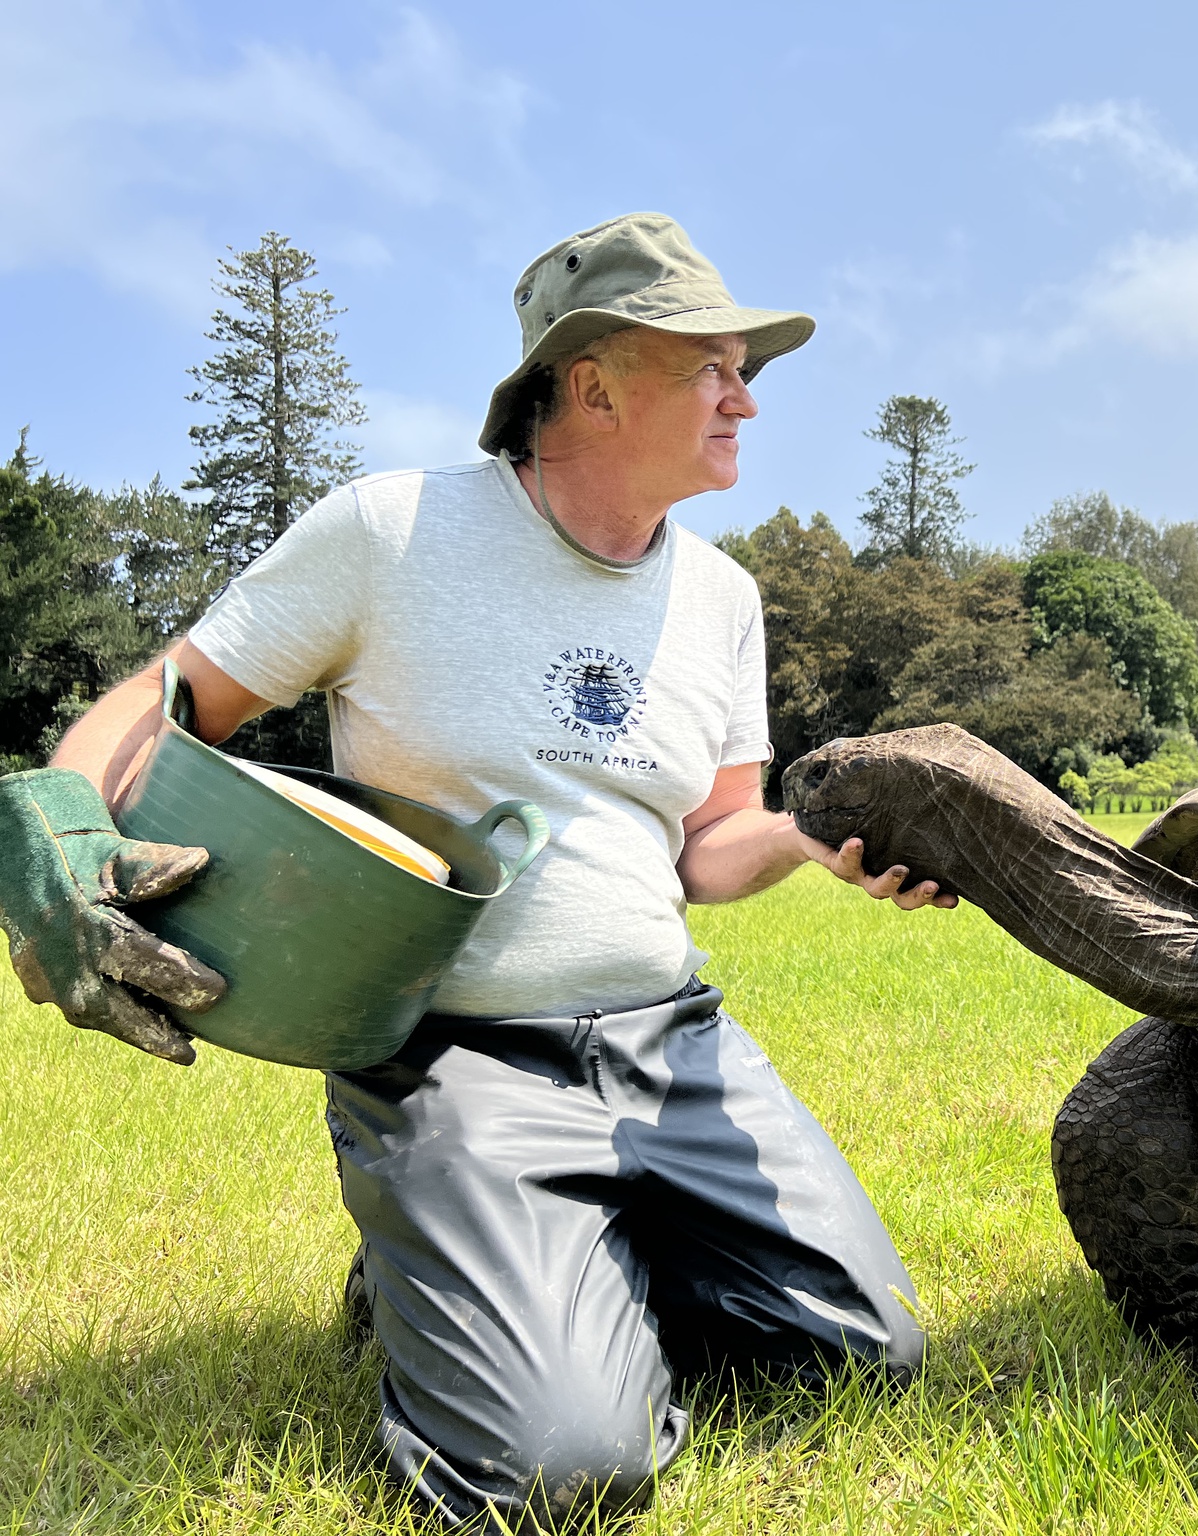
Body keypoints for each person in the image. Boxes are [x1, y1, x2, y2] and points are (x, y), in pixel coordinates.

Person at [0, 212, 947, 1527]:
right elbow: (164, 700)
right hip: (461, 1058)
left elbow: (709, 846)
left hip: (676, 1043)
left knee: (865, 1352)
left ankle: (509, 1263)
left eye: (752, 370)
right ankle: (441, 1271)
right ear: (595, 385)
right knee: (564, 1472)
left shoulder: (722, 597)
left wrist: (818, 836)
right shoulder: (390, 533)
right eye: (714, 367)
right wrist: (55, 811)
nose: (746, 397)